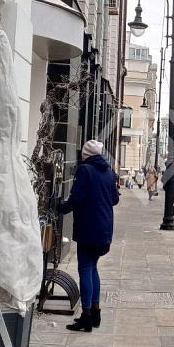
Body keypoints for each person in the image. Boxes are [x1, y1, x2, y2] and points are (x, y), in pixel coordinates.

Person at [58, 140, 120, 332]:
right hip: (104, 228)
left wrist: (61, 207)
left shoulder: (85, 170)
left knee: (85, 268)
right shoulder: (108, 171)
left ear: (85, 154)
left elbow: (76, 198)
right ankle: (95, 312)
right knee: (93, 267)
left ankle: (85, 316)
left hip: (88, 227)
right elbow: (115, 199)